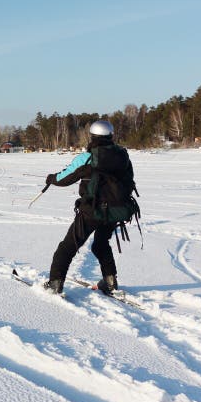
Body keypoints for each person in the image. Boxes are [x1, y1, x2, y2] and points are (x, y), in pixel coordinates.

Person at [42, 120, 139, 295]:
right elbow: (129, 181)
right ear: (111, 136)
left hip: (91, 211)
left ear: (92, 136)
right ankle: (110, 282)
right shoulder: (123, 156)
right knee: (101, 244)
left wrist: (51, 178)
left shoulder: (86, 158)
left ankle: (55, 283)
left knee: (67, 248)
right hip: (115, 212)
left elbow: (65, 178)